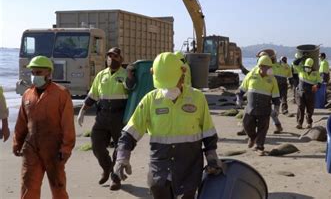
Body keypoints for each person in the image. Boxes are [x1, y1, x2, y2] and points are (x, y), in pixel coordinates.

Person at [113, 52, 222, 199]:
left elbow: (208, 132)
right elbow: (130, 132)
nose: (168, 89)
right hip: (160, 163)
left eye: (172, 83)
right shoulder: (150, 100)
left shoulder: (197, 98)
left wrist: (212, 157)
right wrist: (122, 157)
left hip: (189, 164)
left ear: (183, 75)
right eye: (164, 85)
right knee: (157, 188)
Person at [13, 55, 76, 198]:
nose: (35, 76)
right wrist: (17, 142)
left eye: (39, 73)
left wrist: (66, 148)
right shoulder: (28, 95)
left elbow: (67, 124)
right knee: (28, 186)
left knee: (58, 186)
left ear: (49, 72)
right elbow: (22, 122)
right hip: (31, 147)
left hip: (54, 149)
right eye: (33, 73)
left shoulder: (61, 94)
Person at [77, 47, 136, 190]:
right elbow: (93, 95)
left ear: (120, 59)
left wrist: (129, 76)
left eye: (114, 56)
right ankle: (107, 167)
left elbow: (131, 87)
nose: (111, 59)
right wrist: (82, 110)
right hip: (102, 116)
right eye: (109, 56)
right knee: (96, 145)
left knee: (119, 148)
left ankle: (115, 178)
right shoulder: (101, 75)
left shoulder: (125, 74)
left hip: (119, 117)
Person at [236, 55, 280, 155]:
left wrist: (276, 108)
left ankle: (259, 146)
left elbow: (276, 96)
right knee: (246, 124)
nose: (269, 69)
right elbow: (241, 89)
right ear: (261, 66)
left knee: (263, 128)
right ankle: (252, 137)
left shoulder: (272, 79)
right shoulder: (251, 75)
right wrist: (239, 98)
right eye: (267, 67)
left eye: (270, 67)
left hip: (264, 108)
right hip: (250, 107)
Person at [293, 58, 322, 129]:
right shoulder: (301, 70)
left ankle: (309, 122)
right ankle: (299, 123)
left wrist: (317, 85)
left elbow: (319, 82)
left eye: (308, 67)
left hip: (310, 93)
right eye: (306, 67)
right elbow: (294, 63)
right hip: (300, 92)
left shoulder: (316, 73)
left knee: (310, 109)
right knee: (300, 107)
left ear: (311, 67)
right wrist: (302, 57)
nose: (307, 68)